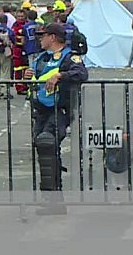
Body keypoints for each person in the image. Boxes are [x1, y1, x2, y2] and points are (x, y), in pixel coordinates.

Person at [25, 23, 89, 215]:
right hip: (42, 111)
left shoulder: (69, 57)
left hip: (58, 111)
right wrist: (28, 76)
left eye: (42, 36)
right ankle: (51, 200)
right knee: (45, 152)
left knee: (48, 145)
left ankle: (55, 202)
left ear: (52, 37)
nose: (39, 39)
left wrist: (61, 75)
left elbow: (81, 73)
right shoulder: (42, 58)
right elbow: (38, 80)